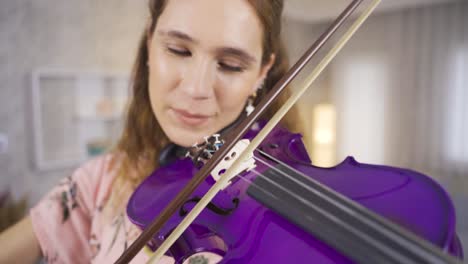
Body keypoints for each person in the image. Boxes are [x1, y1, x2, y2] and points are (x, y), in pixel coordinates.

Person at [0, 0, 301, 263]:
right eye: (178, 50)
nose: (196, 89)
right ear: (149, 43)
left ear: (262, 72)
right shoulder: (106, 178)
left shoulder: (279, 209)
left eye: (231, 65)